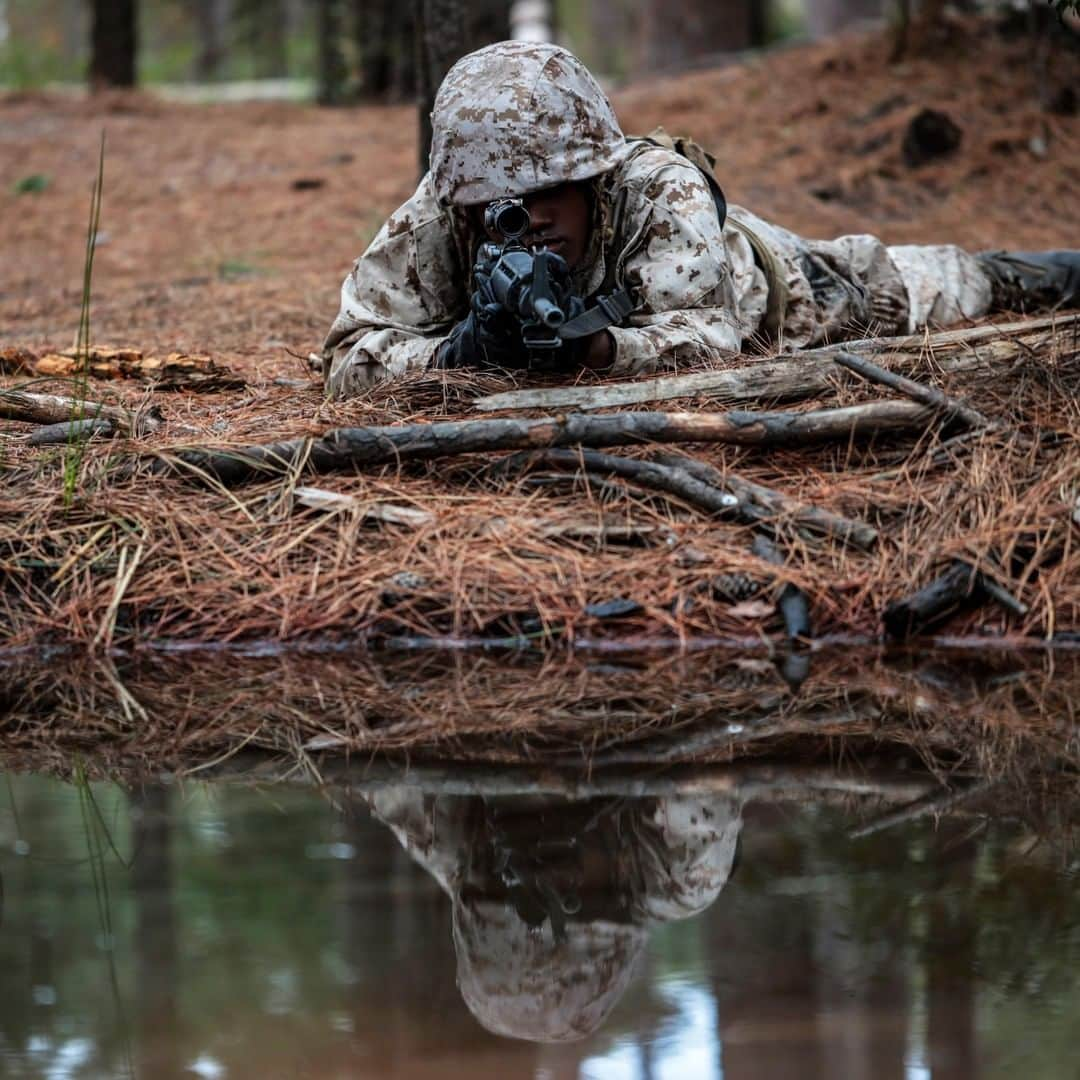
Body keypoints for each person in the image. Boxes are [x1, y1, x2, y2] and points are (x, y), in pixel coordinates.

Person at [320, 41, 1080, 398]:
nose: (528, 217)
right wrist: (454, 356)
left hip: (795, 293)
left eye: (554, 189)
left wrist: (598, 348)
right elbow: (347, 356)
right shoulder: (440, 213)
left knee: (942, 285)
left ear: (595, 176)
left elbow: (710, 339)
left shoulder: (658, 189)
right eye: (501, 207)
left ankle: (1037, 269)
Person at [364, 785, 743, 1042]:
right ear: (622, 893)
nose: (543, 871)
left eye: (504, 884)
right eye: (578, 898)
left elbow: (378, 767)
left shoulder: (455, 850)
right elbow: (707, 778)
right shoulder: (678, 878)